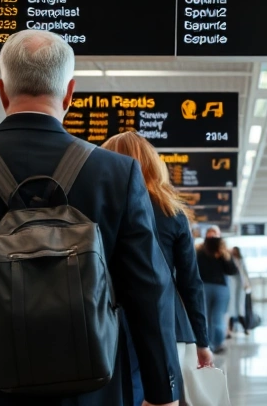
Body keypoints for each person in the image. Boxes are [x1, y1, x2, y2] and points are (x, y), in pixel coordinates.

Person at [0, 30, 180, 406]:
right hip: (87, 384)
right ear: (70, 92)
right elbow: (149, 288)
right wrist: (164, 391)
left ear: (2, 90)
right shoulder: (117, 175)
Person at [100, 132, 213, 406]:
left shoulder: (100, 208)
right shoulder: (172, 213)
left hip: (107, 323)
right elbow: (190, 283)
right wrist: (202, 340)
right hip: (167, 326)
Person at [196, 228, 238, 353]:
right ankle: (209, 344)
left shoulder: (223, 252)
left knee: (216, 317)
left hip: (218, 288)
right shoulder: (199, 251)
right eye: (210, 235)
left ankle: (215, 343)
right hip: (206, 287)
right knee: (208, 317)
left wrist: (225, 256)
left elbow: (232, 270)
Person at [228, 246, 252, 336]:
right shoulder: (230, 260)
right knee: (232, 307)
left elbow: (245, 272)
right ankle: (230, 329)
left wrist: (247, 283)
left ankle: (245, 327)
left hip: (240, 285)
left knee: (240, 307)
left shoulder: (241, 260)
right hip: (232, 285)